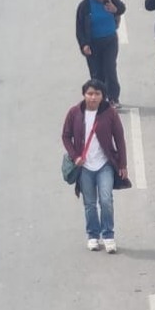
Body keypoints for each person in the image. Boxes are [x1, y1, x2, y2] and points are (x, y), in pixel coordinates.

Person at [61, 79, 128, 253]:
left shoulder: (110, 113)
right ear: (84, 94)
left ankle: (108, 235)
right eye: (90, 93)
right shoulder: (74, 113)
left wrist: (122, 164)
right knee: (90, 203)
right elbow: (66, 136)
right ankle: (93, 235)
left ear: (103, 96)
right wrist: (75, 156)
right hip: (84, 167)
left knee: (106, 200)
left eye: (97, 94)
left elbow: (119, 138)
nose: (93, 97)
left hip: (104, 164)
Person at [75, 0, 126, 107]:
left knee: (110, 69)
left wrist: (115, 9)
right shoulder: (85, 6)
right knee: (97, 73)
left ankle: (113, 98)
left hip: (110, 40)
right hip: (93, 43)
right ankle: (100, 99)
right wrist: (84, 45)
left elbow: (122, 8)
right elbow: (80, 28)